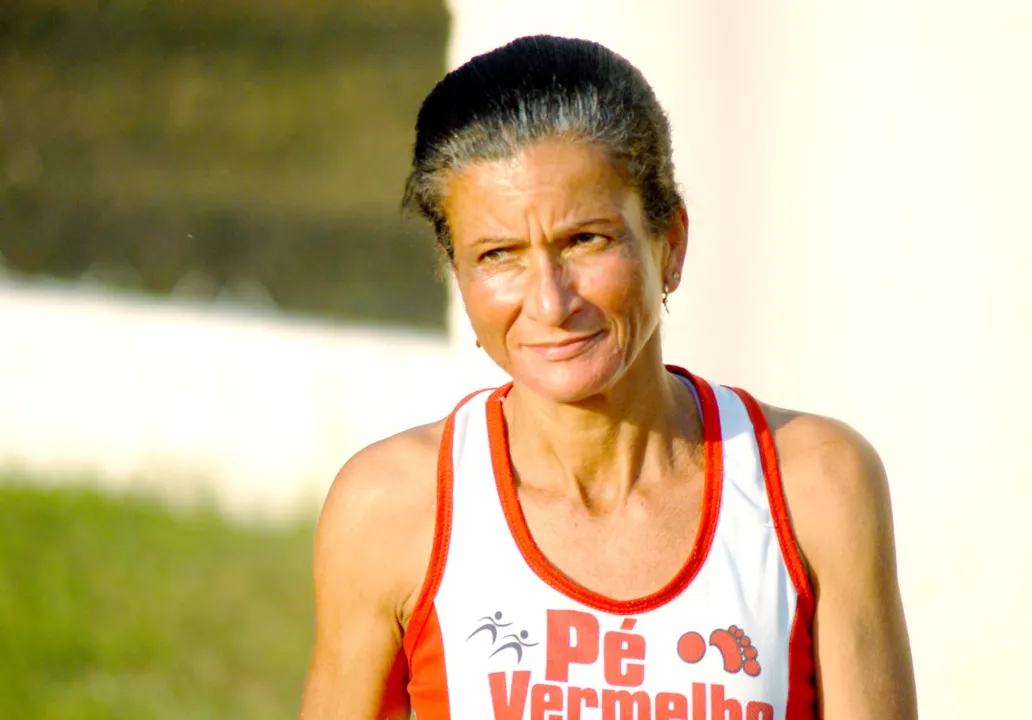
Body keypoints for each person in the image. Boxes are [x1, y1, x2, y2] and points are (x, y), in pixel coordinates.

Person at [299, 35, 917, 720]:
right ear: (458, 277)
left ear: (670, 243)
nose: (551, 303)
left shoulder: (817, 486)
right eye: (498, 254)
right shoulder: (390, 507)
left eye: (585, 240)